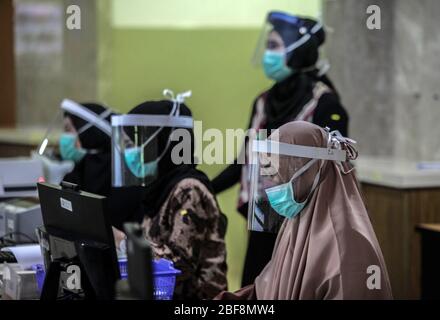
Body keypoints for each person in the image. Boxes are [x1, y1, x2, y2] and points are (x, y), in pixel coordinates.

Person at [212, 11, 349, 286]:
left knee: (294, 288)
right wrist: (205, 185)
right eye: (267, 46)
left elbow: (335, 172)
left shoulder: (324, 104)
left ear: (298, 52)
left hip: (304, 222)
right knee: (255, 288)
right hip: (264, 214)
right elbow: (245, 159)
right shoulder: (263, 102)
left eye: (274, 46)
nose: (267, 54)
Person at [216, 121, 392, 299]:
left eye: (276, 172)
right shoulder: (298, 220)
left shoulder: (347, 247)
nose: (271, 185)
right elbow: (269, 290)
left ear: (307, 169)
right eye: (267, 175)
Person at [111, 92, 228, 299]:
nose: (130, 153)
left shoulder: (189, 190)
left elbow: (177, 264)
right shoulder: (159, 188)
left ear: (163, 144)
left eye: (134, 145)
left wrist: (123, 242)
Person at [58, 99, 144, 229]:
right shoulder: (81, 170)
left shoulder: (124, 175)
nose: (65, 136)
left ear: (87, 131)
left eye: (69, 129)